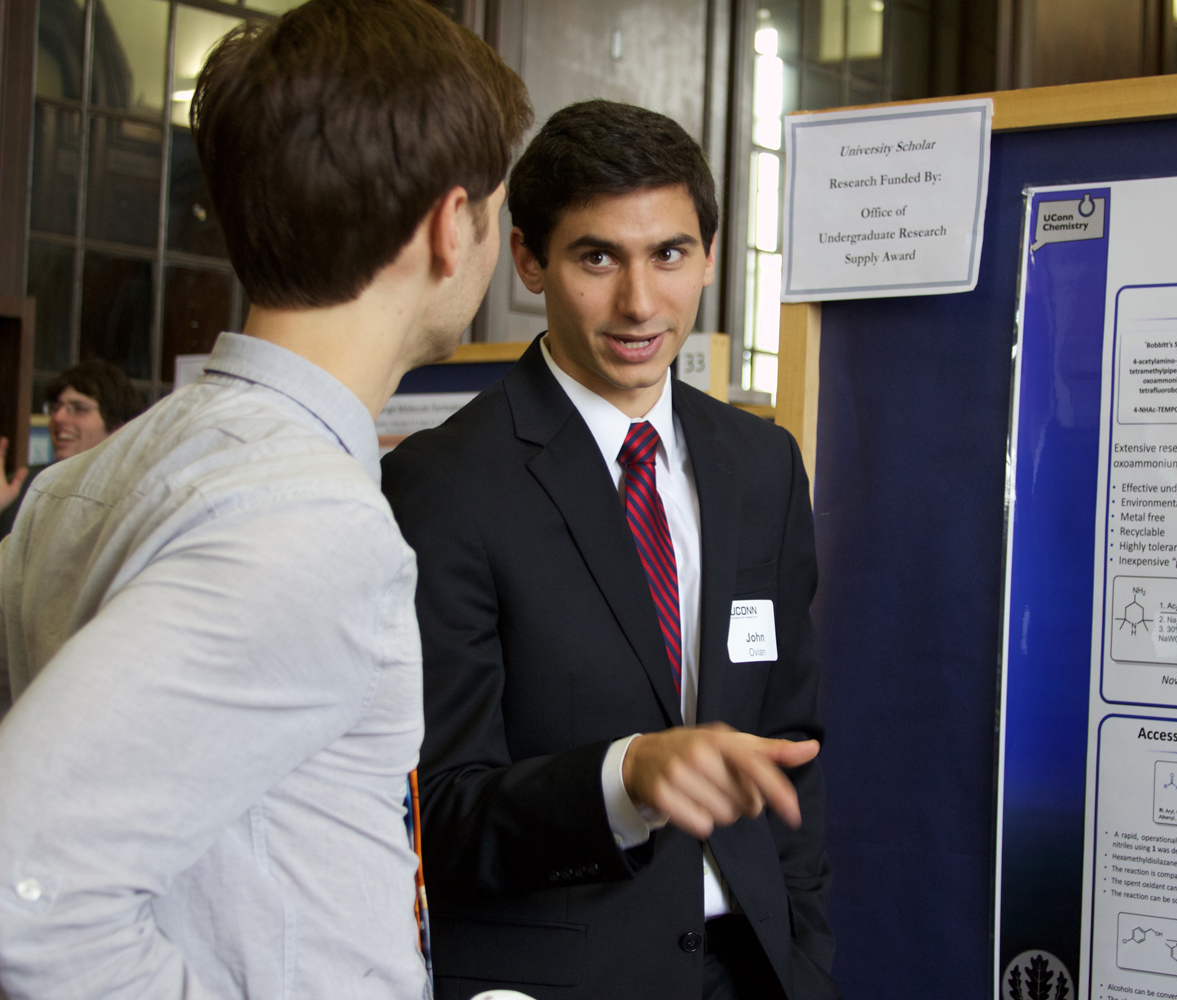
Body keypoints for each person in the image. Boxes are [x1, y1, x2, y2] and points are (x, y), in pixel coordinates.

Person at [0, 1, 530, 997]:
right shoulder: (307, 519)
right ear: (451, 227)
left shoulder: (77, 485)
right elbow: (22, 887)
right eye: (496, 211)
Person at [382, 100, 838, 1000]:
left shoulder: (763, 464)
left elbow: (791, 738)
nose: (639, 302)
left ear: (709, 255)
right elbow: (436, 812)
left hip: (753, 970)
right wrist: (624, 776)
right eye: (598, 257)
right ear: (527, 260)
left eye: (669, 254)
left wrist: (808, 956)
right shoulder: (444, 484)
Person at [0, 359, 145, 536]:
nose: (58, 418)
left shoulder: (135, 493)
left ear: (118, 425)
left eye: (79, 408)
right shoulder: (24, 486)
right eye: (55, 407)